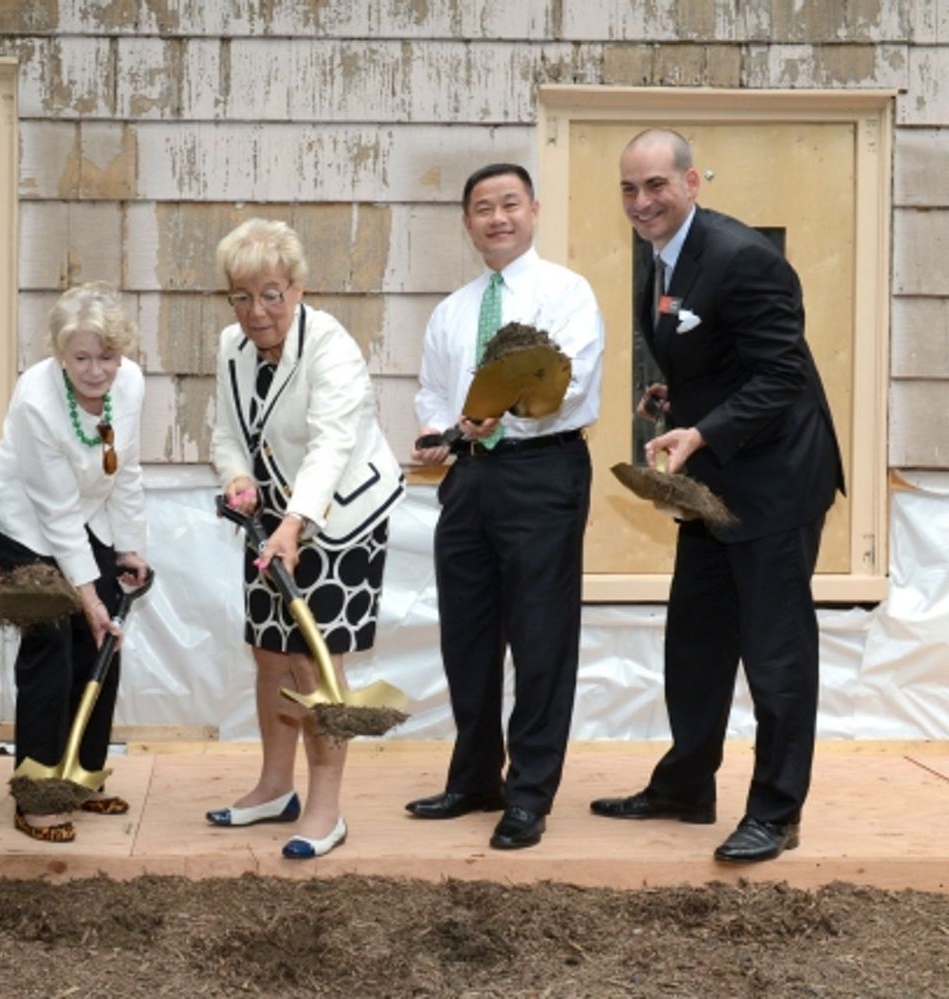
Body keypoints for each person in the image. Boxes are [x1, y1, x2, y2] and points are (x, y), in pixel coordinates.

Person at [590, 129, 844, 863]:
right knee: (696, 640)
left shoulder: (745, 258)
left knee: (775, 652)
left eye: (656, 186)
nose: (642, 203)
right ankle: (685, 786)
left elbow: (781, 376)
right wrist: (677, 397)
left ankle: (776, 811)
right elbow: (723, 354)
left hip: (775, 483)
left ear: (692, 181)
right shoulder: (662, 258)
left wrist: (701, 432)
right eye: (629, 189)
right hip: (713, 484)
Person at [408, 163, 604, 850]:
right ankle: (474, 777)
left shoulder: (566, 293)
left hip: (541, 472)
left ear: (534, 210)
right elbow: (433, 392)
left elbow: (570, 385)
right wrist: (441, 433)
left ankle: (529, 791)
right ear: (467, 223)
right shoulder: (453, 309)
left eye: (510, 204)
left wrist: (504, 418)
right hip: (468, 479)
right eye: (483, 208)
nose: (498, 218)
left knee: (541, 634)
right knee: (468, 632)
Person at [207, 218, 406, 860]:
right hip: (268, 519)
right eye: (241, 295)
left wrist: (295, 524)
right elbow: (227, 433)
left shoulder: (332, 347)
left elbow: (330, 447)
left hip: (339, 518)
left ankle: (326, 808)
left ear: (296, 288)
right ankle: (273, 787)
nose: (256, 310)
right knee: (269, 651)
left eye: (271, 293)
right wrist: (238, 478)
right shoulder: (230, 348)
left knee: (313, 662)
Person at [0, 282, 150, 843]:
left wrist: (128, 545)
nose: (96, 370)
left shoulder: (129, 384)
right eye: (82, 357)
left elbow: (125, 468)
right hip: (27, 522)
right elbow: (54, 511)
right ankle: (35, 793)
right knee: (51, 642)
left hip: (92, 515)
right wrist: (89, 597)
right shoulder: (36, 399)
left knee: (102, 642)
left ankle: (81, 776)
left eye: (107, 356)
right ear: (61, 352)